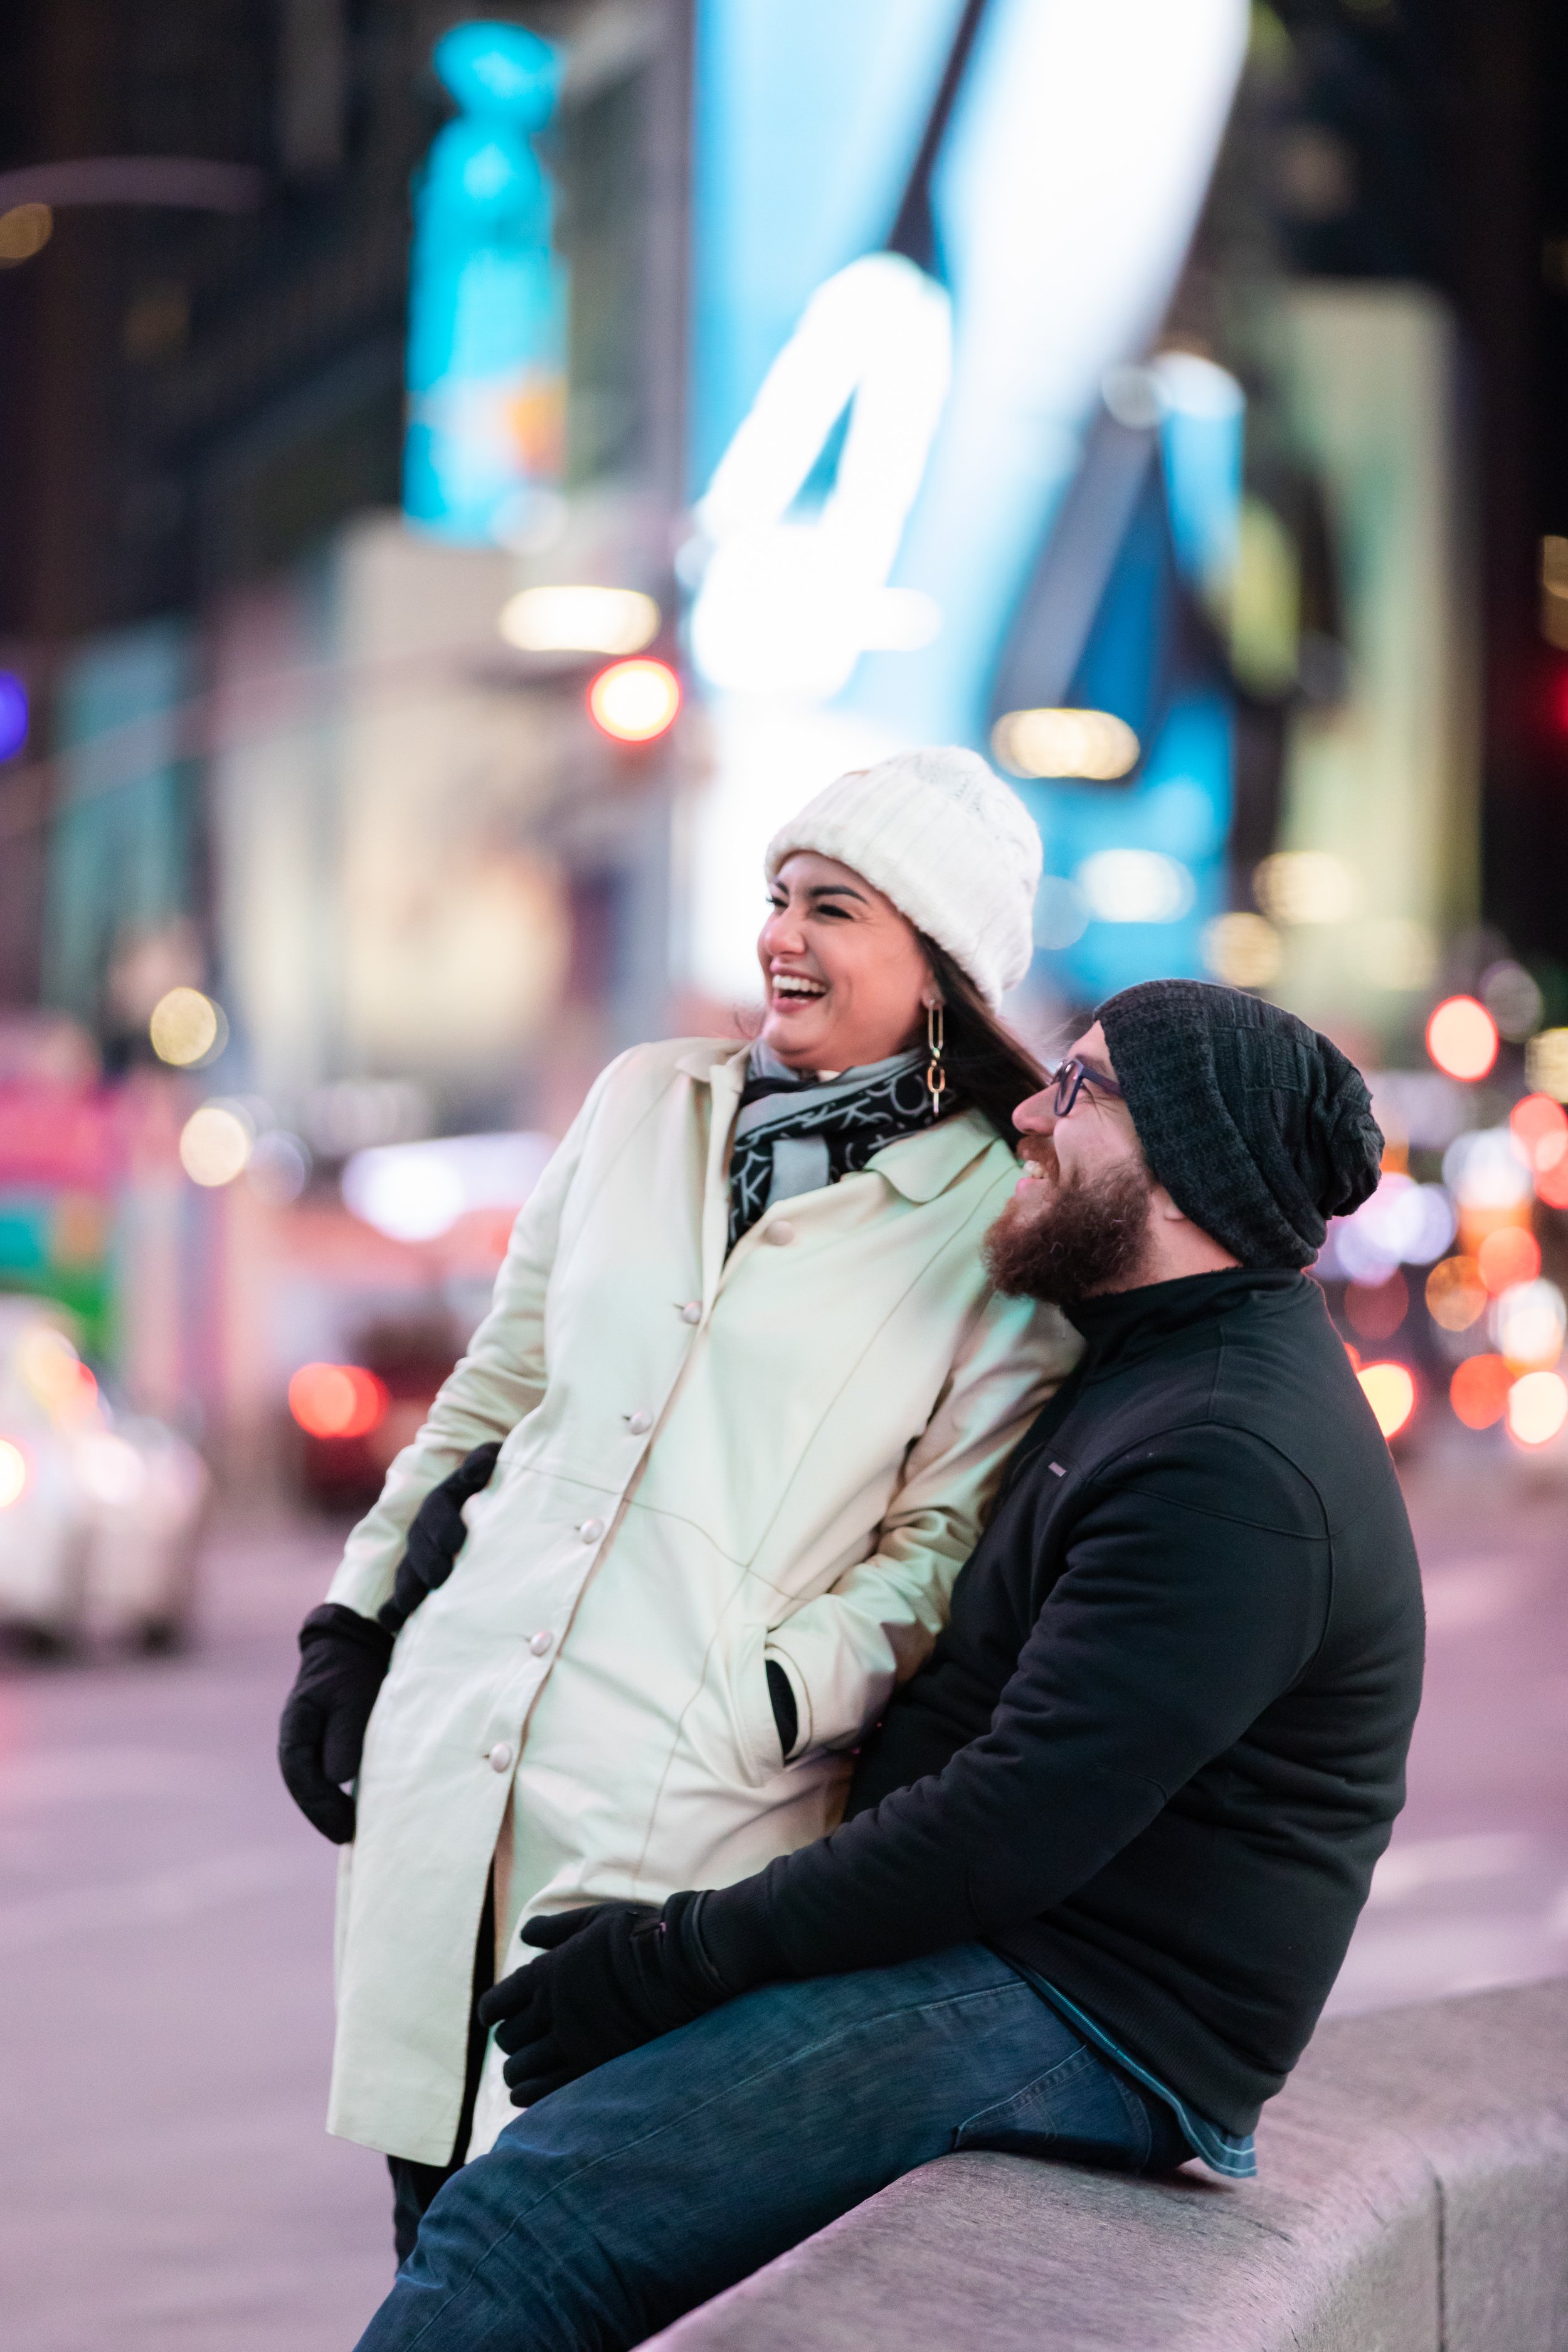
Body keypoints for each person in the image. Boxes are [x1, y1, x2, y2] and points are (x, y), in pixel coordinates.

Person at [350, 979, 1426, 2352]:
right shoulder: (1155, 1368)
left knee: (528, 2220)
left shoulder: (1223, 1460)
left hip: (1093, 2021)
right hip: (1032, 1963)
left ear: (1187, 1170)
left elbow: (1009, 1826)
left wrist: (677, 1956)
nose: (1032, 1114)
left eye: (1080, 1092)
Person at [277, 746, 1078, 2259]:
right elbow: (494, 1393)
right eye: (776, 895)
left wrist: (761, 1700)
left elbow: (937, 1555)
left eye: (831, 907)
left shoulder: (995, 1222)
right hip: (463, 1749)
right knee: (428, 2217)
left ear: (939, 969)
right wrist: (356, 1621)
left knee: (572, 2246)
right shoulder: (644, 1103)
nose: (780, 934)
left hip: (688, 1823)